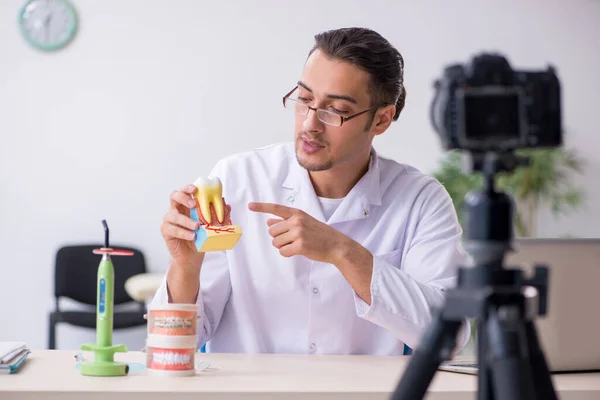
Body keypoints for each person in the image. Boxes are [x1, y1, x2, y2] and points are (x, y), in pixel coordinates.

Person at [151, 27, 471, 355]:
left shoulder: (420, 200)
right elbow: (176, 347)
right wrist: (185, 267)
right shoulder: (238, 178)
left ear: (381, 120)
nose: (309, 124)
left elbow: (450, 337)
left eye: (336, 111)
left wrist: (342, 251)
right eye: (304, 100)